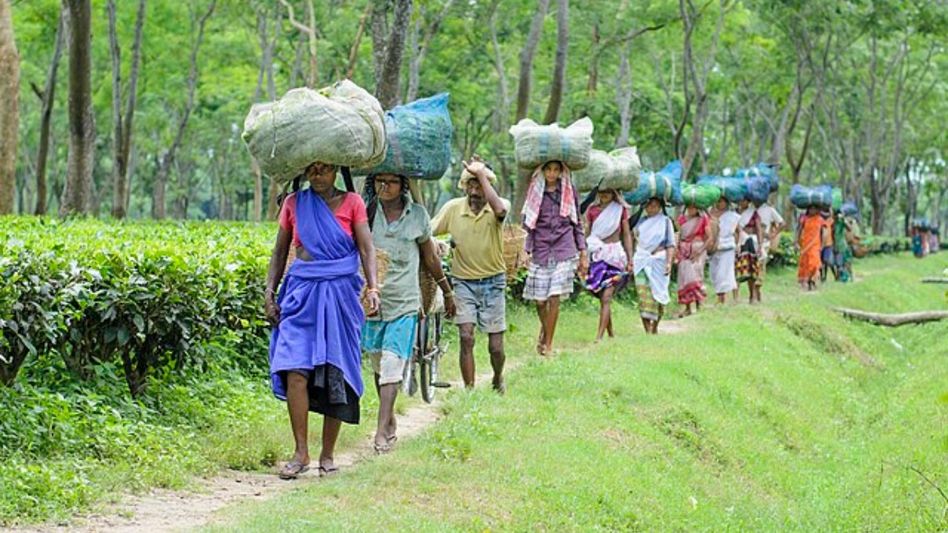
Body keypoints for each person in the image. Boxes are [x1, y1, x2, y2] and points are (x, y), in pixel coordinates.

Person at [265, 162, 380, 479]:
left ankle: (327, 455)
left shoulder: (353, 203)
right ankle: (300, 453)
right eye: (312, 170)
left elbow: (367, 248)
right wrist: (269, 293)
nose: (318, 176)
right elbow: (279, 252)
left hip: (341, 294)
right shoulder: (294, 203)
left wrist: (372, 287)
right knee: (295, 370)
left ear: (336, 171)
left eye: (325, 169)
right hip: (301, 293)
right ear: (304, 172)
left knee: (335, 372)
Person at [361, 174, 456, 454]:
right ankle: (388, 420)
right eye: (380, 180)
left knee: (393, 363)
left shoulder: (417, 216)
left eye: (391, 181)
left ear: (403, 186)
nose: (385, 186)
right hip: (374, 302)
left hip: (405, 302)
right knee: (379, 366)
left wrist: (447, 292)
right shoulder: (367, 212)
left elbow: (430, 258)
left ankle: (380, 432)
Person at [431, 156, 509, 393]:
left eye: (480, 185)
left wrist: (482, 173)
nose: (475, 191)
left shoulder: (497, 206)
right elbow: (429, 231)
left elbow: (501, 210)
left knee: (496, 347)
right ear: (465, 187)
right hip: (463, 282)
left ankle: (497, 377)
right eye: (471, 185)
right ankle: (470, 390)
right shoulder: (454, 208)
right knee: (466, 336)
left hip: (493, 281)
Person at [522, 161, 588, 355]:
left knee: (554, 295)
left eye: (556, 170)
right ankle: (545, 332)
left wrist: (583, 252)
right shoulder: (535, 191)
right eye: (548, 169)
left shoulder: (568, 191)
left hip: (564, 248)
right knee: (540, 301)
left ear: (561, 172)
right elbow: (529, 224)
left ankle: (548, 345)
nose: (552, 173)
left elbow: (577, 223)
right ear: (543, 171)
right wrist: (526, 249)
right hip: (541, 249)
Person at [584, 188, 633, 342]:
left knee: (607, 296)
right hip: (598, 257)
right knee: (602, 296)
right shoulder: (592, 211)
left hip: (615, 256)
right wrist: (582, 256)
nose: (605, 195)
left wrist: (630, 259)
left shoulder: (620, 210)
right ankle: (610, 333)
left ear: (615, 194)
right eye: (602, 191)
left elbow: (626, 234)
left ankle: (599, 337)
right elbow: (587, 233)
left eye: (609, 192)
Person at [632, 197, 676, 334]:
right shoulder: (640, 222)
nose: (652, 208)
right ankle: (647, 330)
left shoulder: (665, 222)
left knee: (659, 295)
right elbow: (635, 239)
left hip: (659, 261)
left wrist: (669, 263)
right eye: (649, 206)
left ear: (660, 207)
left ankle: (655, 327)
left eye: (655, 206)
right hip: (641, 260)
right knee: (643, 294)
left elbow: (670, 244)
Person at [676, 203, 711, 316]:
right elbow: (679, 235)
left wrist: (700, 251)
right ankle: (687, 307)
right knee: (684, 278)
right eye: (689, 207)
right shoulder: (681, 219)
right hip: (684, 251)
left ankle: (699, 304)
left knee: (695, 277)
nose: (691, 210)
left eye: (694, 207)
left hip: (698, 250)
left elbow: (709, 237)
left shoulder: (703, 219)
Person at [749, 198, 785, 302]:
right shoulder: (748, 209)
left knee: (760, 267)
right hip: (750, 242)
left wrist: (772, 234)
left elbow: (782, 223)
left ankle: (757, 290)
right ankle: (753, 293)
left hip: (764, 244)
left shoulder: (769, 210)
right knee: (751, 268)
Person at [708, 196, 740, 304]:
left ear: (726, 203)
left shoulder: (733, 216)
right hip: (714, 248)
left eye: (721, 201)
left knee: (723, 273)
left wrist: (738, 244)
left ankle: (721, 298)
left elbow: (738, 232)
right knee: (714, 273)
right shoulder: (710, 214)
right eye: (717, 201)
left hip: (728, 247)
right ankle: (720, 295)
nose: (719, 203)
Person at [736, 198, 766, 303]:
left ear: (748, 202)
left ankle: (752, 295)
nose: (742, 202)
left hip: (751, 243)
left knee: (752, 270)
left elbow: (758, 229)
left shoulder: (753, 214)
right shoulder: (735, 212)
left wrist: (760, 245)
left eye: (745, 201)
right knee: (736, 269)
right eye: (741, 200)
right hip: (738, 243)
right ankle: (735, 297)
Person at [796, 205, 826, 290]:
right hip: (805, 244)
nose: (812, 210)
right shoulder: (804, 219)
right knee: (805, 264)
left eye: (814, 208)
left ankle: (813, 279)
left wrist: (822, 245)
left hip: (815, 245)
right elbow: (799, 230)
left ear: (817, 210)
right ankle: (807, 281)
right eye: (810, 208)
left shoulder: (820, 219)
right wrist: (796, 242)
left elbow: (824, 233)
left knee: (814, 264)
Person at [832, 210, 854, 282]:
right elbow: (832, 236)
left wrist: (844, 219)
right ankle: (841, 277)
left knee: (846, 263)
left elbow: (849, 229)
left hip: (843, 246)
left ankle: (850, 276)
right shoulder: (832, 224)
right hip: (836, 247)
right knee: (838, 264)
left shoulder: (841, 223)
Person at [819, 209, 835, 282]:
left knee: (826, 261)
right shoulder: (820, 221)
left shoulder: (829, 221)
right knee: (821, 262)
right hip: (820, 244)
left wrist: (830, 207)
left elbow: (831, 215)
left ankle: (825, 276)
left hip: (828, 244)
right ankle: (822, 276)